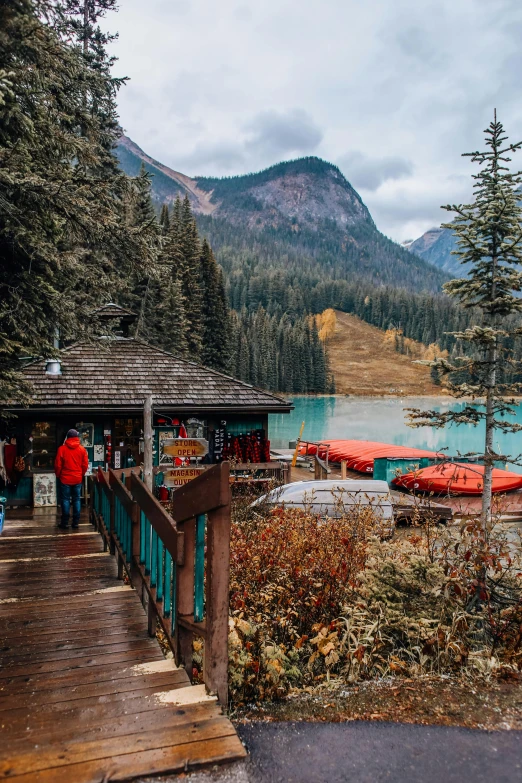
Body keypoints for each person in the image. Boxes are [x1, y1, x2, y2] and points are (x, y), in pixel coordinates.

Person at [54, 429, 88, 530]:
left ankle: (65, 523)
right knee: (76, 499)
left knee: (65, 500)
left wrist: (58, 475)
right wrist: (81, 474)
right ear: (77, 437)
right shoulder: (82, 450)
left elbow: (58, 465)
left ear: (67, 437)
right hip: (77, 478)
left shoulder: (62, 449)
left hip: (65, 478)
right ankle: (75, 522)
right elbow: (85, 465)